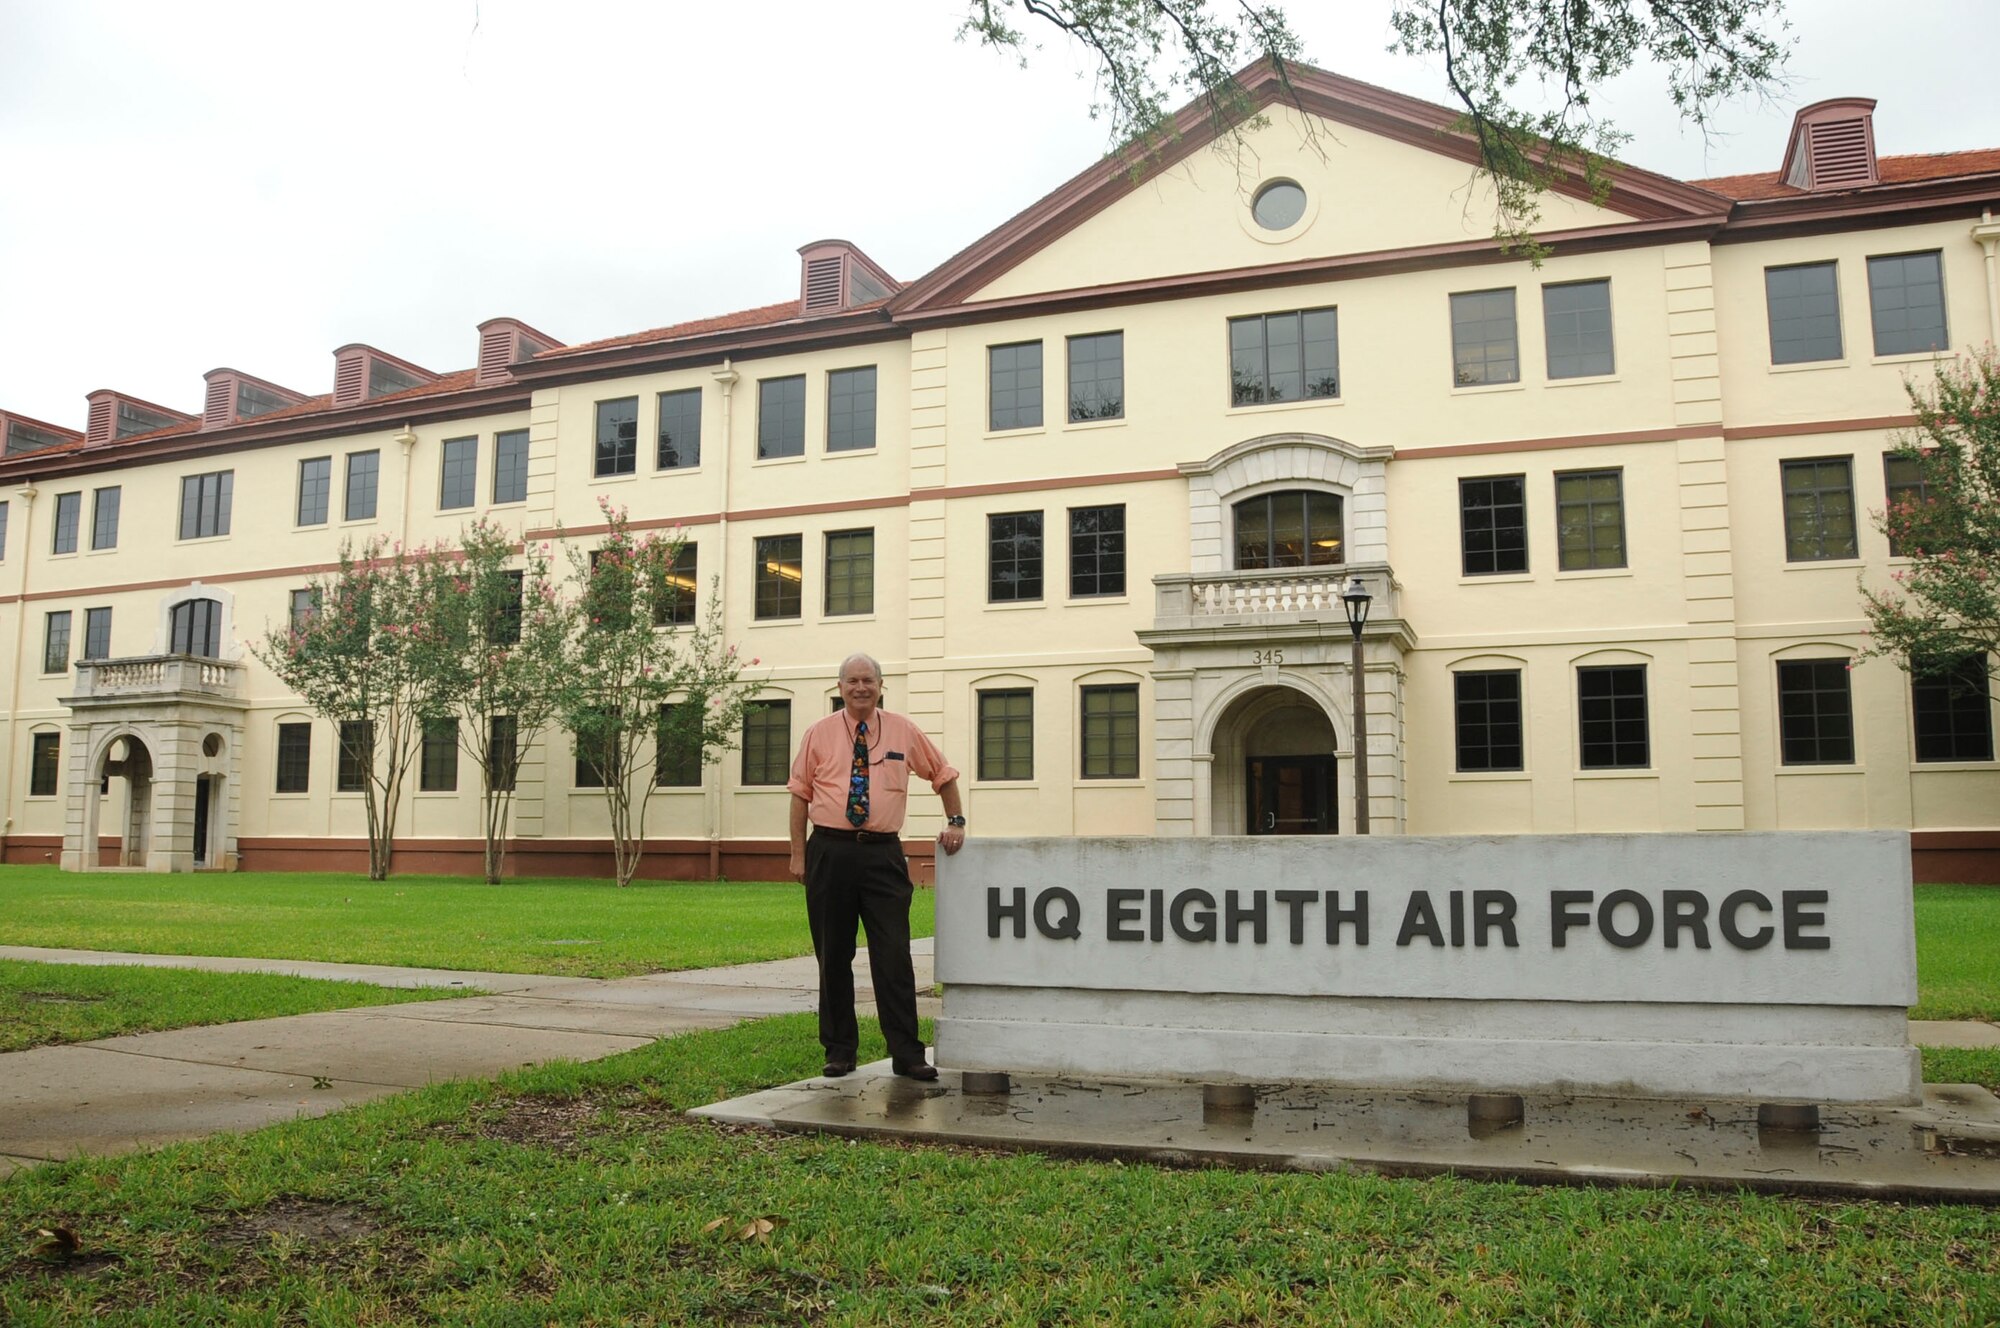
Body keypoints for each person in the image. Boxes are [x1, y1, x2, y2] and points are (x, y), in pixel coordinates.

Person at [788, 652, 966, 1081]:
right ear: (840, 687)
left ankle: (907, 1053)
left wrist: (956, 821)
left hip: (883, 854)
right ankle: (839, 1050)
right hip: (830, 851)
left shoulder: (903, 731)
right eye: (852, 681)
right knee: (833, 954)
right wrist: (798, 854)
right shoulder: (818, 734)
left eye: (868, 680)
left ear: (881, 685)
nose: (860, 687)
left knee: (893, 954)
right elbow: (799, 794)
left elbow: (942, 775)